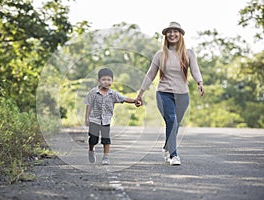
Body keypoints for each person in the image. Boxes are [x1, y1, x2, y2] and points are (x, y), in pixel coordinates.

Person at [136, 22, 204, 166]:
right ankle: (174, 155)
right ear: (166, 35)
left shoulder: (189, 53)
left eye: (175, 31)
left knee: (175, 124)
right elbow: (150, 74)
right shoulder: (160, 54)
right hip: (164, 93)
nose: (172, 34)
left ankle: (167, 148)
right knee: (172, 120)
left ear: (180, 35)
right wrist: (140, 93)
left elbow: (195, 70)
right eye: (169, 32)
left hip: (182, 95)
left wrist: (200, 82)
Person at [84, 68, 141, 165]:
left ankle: (105, 157)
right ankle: (91, 150)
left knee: (106, 139)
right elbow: (88, 105)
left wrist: (135, 101)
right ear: (98, 81)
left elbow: (124, 98)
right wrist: (87, 118)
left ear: (112, 81)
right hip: (94, 120)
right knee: (93, 139)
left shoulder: (113, 94)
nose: (106, 82)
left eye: (109, 80)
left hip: (106, 121)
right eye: (104, 79)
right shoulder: (93, 92)